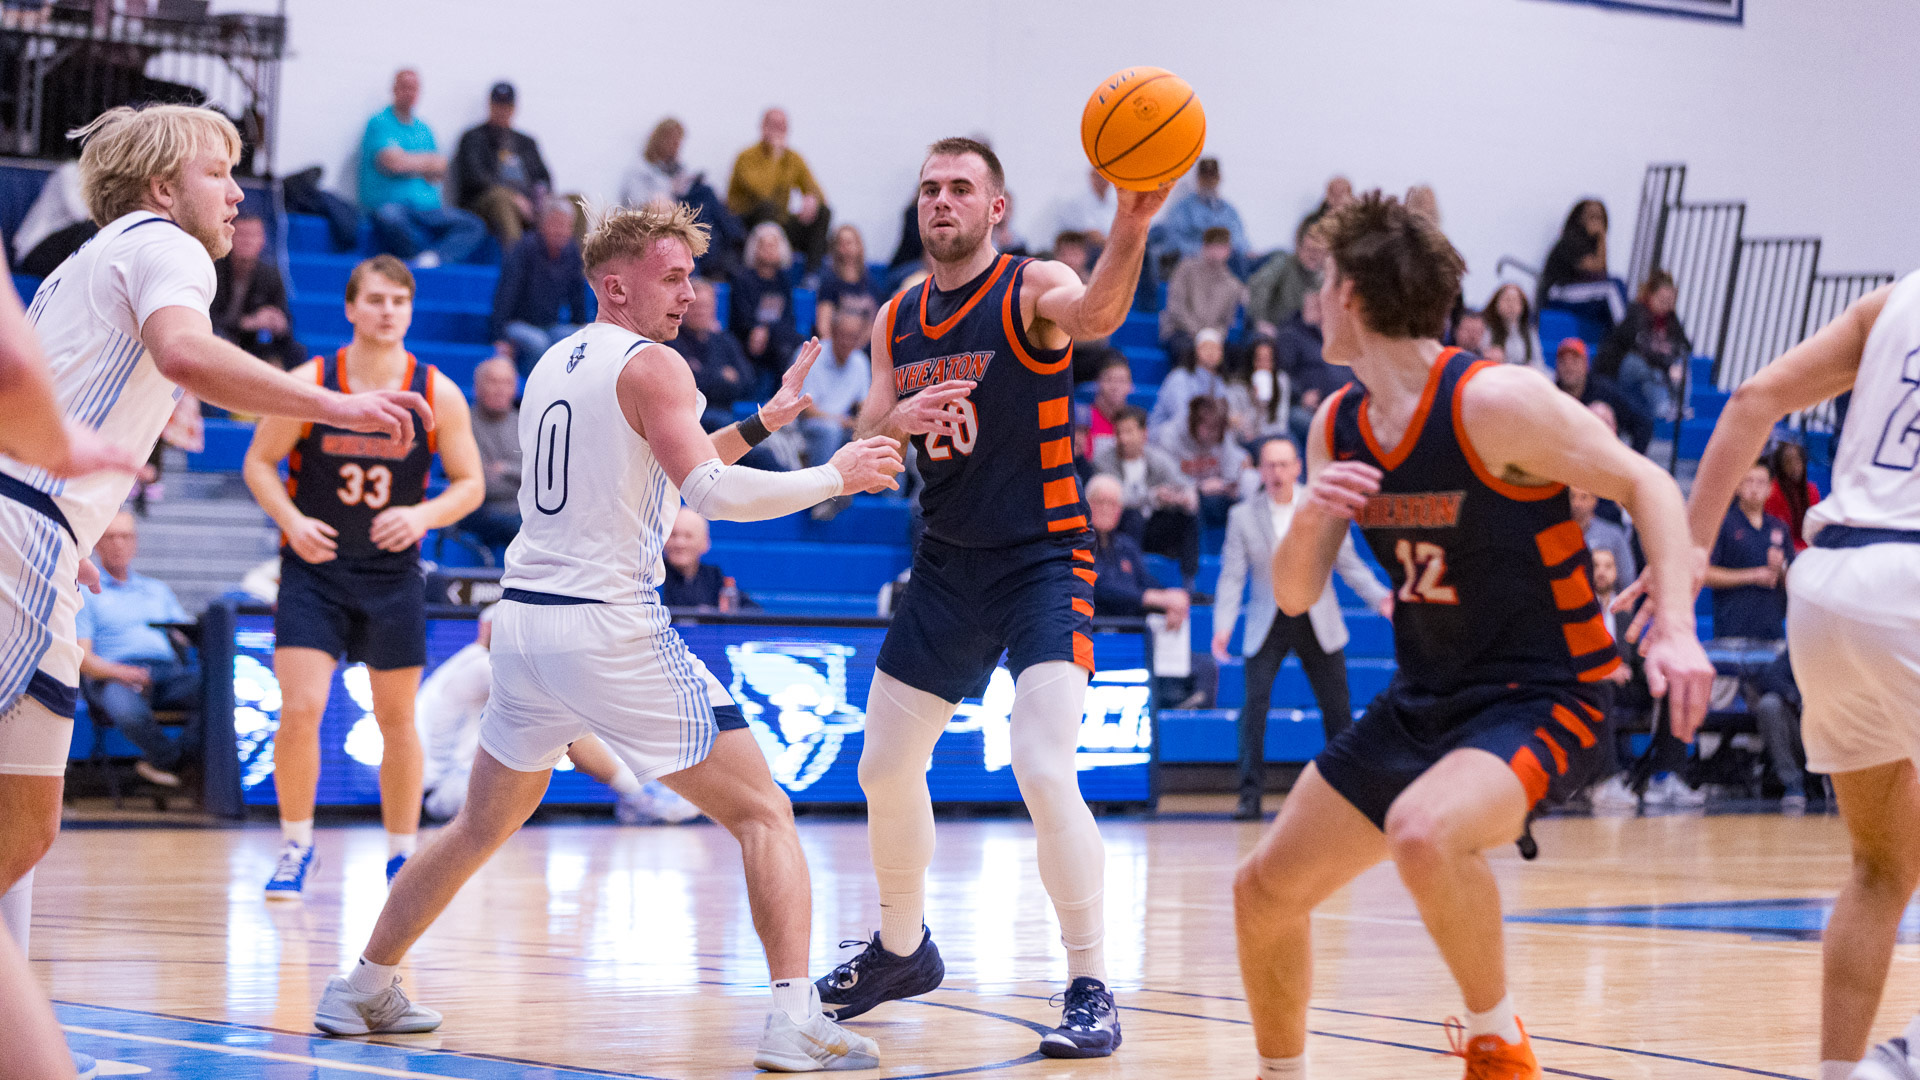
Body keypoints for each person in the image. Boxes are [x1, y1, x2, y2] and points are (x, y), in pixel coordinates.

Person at [310, 201, 902, 1072]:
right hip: (607, 627)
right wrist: (831, 473)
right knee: (765, 812)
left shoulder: (557, 360)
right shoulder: (656, 366)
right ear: (615, 284)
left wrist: (768, 422)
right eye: (672, 277)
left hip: (523, 629)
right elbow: (707, 495)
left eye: (691, 276)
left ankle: (360, 987)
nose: (690, 292)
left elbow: (667, 465)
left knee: (479, 824)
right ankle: (795, 1022)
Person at [1233, 192, 1711, 1080]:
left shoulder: (1494, 403)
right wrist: (1307, 522)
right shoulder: (1337, 423)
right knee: (1263, 891)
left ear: (1353, 295)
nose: (1314, 291)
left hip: (1548, 693)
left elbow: (1650, 484)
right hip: (1426, 700)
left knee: (1422, 832)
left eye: (1326, 276)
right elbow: (1294, 597)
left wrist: (1676, 629)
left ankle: (1498, 1045)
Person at [1, 103, 421, 1080]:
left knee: (20, 820)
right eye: (219, 171)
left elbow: (56, 390)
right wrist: (339, 403)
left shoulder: (89, 256)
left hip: (38, 527)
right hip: (22, 534)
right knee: (22, 825)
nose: (237, 192)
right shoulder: (171, 250)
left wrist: (90, 513)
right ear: (161, 187)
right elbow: (187, 355)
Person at [821, 137, 1168, 1058]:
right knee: (882, 769)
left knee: (1043, 764)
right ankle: (901, 948)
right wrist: (887, 423)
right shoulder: (899, 316)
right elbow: (869, 445)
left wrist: (1129, 225)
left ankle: (1091, 982)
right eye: (930, 187)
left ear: (995, 208)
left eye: (960, 188)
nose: (942, 201)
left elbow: (1094, 314)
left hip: (1043, 562)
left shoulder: (1028, 285)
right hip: (947, 566)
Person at [1670, 269, 1920, 1080]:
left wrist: (1686, 559)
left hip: (1828, 595)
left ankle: (1840, 1074)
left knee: (1882, 866)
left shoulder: (1899, 298)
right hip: (1913, 582)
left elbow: (1751, 401)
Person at [243, 255, 487, 896]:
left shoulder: (435, 390)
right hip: (314, 570)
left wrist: (423, 514)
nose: (387, 311)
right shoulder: (312, 381)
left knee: (397, 717)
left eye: (399, 301)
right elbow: (260, 464)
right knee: (300, 708)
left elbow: (471, 485)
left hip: (391, 574)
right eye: (375, 299)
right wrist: (292, 520)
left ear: (410, 310)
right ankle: (296, 846)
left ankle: (403, 856)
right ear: (350, 308)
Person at [1213, 436, 1392, 821]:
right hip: (1267, 618)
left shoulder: (1321, 505)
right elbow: (1231, 577)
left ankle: (1347, 796)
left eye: (1283, 464)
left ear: (1298, 467)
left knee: (1338, 709)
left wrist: (1380, 599)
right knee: (1254, 708)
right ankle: (1250, 796)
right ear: (1260, 470)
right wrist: (1223, 625)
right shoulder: (1242, 517)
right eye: (1269, 465)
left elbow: (1349, 563)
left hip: (1317, 615)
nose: (1277, 472)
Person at [414, 607, 696, 824]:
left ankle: (634, 788)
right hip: (446, 791)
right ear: (489, 629)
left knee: (549, 723)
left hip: (441, 789)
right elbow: (559, 700)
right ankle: (637, 792)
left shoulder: (466, 661)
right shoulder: (483, 666)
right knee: (558, 721)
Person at [74, 510, 199, 788]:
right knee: (127, 709)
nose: (119, 543)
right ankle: (178, 764)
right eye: (111, 537)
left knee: (222, 689)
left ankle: (168, 761)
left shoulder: (157, 590)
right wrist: (122, 672)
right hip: (111, 675)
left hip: (166, 674)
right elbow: (82, 658)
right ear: (97, 543)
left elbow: (186, 632)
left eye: (126, 536)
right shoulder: (84, 592)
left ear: (135, 543)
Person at [359, 69, 486, 268]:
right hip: (390, 205)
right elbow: (393, 163)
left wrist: (407, 160)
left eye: (414, 89)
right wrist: (424, 163)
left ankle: (431, 259)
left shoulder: (424, 129)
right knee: (391, 219)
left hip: (428, 209)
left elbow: (440, 168)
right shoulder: (380, 123)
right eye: (405, 87)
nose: (409, 93)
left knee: (473, 226)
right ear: (394, 89)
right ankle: (416, 258)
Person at [1093, 406, 1199, 582]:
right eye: (1118, 432)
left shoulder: (1157, 459)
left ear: (1144, 434)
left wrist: (1182, 498)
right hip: (1119, 528)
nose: (1122, 438)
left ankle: (1189, 584)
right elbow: (1116, 496)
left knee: (1188, 516)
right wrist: (1153, 496)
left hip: (1152, 529)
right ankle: (1131, 579)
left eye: (1128, 432)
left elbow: (1185, 484)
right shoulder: (1103, 461)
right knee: (1133, 515)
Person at [490, 199, 588, 375]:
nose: (561, 231)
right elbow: (505, 293)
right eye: (556, 224)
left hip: (551, 326)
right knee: (538, 343)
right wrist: (499, 337)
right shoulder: (524, 249)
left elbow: (577, 295)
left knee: (581, 339)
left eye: (566, 226)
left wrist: (581, 326)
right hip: (518, 323)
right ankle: (536, 387)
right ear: (544, 224)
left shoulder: (572, 253)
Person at [727, 107, 831, 271]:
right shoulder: (746, 157)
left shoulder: (793, 158)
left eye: (782, 127)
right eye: (774, 125)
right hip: (748, 221)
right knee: (767, 207)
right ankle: (765, 272)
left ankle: (813, 274)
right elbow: (763, 192)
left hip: (779, 221)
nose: (778, 131)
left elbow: (817, 191)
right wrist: (775, 158)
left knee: (823, 212)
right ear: (763, 127)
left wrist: (812, 199)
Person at [451, 82, 551, 250]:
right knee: (502, 199)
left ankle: (576, 267)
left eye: (507, 106)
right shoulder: (473, 138)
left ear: (514, 108)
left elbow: (544, 178)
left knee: (574, 202)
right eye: (498, 105)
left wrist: (540, 199)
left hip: (528, 202)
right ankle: (516, 262)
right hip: (485, 203)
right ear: (490, 105)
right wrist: (514, 197)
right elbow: (474, 177)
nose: (502, 110)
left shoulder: (526, 142)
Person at [1084, 473, 1191, 626]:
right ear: (1087, 506)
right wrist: (1151, 598)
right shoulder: (1079, 546)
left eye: (1113, 503)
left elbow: (1144, 580)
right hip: (1095, 627)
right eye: (1100, 502)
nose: (1106, 509)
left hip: (1132, 629)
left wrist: (1170, 598)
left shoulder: (1126, 545)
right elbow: (1100, 587)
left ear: (1120, 510)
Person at [1706, 462, 1792, 644]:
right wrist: (1752, 576)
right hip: (1732, 628)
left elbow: (1793, 580)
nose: (1754, 488)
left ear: (1770, 489)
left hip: (1771, 628)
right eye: (1748, 481)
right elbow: (1706, 574)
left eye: (1760, 483)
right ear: (1737, 486)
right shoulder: (1723, 525)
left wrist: (1781, 568)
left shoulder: (1779, 528)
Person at [1596, 269, 1691, 424]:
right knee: (1648, 368)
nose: (1666, 305)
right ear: (1651, 296)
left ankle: (1680, 406)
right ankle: (1662, 407)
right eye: (1662, 300)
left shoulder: (1671, 320)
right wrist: (1666, 365)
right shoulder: (1637, 312)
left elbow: (1684, 346)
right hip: (1624, 368)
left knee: (1681, 364)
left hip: (1657, 365)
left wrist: (1672, 360)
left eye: (1670, 301)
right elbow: (1640, 349)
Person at [213, 214, 303, 368]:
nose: (247, 241)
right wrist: (248, 322)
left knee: (296, 350)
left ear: (263, 240)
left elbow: (286, 320)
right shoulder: (215, 269)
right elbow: (209, 318)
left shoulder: (270, 274)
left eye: (253, 235)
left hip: (252, 343)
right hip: (219, 338)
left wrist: (278, 322)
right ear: (230, 237)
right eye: (242, 235)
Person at [1157, 395, 1250, 529]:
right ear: (1194, 422)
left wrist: (1225, 483)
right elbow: (1165, 478)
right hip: (1180, 497)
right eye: (1209, 428)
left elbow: (1231, 475)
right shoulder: (1169, 435)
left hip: (1215, 495)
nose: (1214, 434)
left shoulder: (1222, 434)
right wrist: (1199, 486)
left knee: (1242, 494)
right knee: (1191, 502)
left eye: (1218, 429)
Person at [460, 356, 522, 551]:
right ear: (477, 387)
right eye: (493, 381)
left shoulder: (527, 423)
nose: (500, 389)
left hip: (524, 511)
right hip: (481, 512)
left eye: (507, 382)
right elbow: (482, 484)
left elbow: (542, 479)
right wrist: (521, 475)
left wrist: (505, 469)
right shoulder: (462, 423)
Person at [1159, 227, 1247, 363]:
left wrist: (1211, 337)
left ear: (1228, 251)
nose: (1217, 252)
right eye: (1213, 246)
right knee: (1186, 350)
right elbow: (1176, 308)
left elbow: (1226, 321)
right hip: (1181, 331)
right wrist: (1199, 333)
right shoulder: (1186, 269)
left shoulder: (1232, 284)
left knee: (1236, 355)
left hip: (1213, 338)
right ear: (1204, 247)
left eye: (1221, 247)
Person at [730, 222, 803, 384]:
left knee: (795, 344)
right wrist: (757, 328)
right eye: (764, 246)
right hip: (747, 338)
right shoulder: (742, 279)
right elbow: (741, 317)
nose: (769, 250)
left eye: (773, 246)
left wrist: (767, 330)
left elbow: (787, 317)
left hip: (776, 337)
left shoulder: (784, 280)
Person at [798, 307, 871, 469]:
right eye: (844, 335)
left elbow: (864, 406)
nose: (848, 342)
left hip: (844, 426)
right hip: (807, 427)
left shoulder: (860, 361)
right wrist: (840, 421)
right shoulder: (811, 354)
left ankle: (889, 494)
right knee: (830, 431)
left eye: (853, 337)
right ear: (833, 332)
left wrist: (868, 424)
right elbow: (805, 409)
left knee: (884, 437)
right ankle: (822, 491)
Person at [680, 277, 756, 433]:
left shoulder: (725, 340)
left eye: (705, 306)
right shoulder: (673, 342)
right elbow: (691, 388)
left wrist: (705, 373)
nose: (700, 311)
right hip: (690, 419)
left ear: (714, 308)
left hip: (725, 413)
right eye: (695, 306)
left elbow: (747, 380)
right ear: (684, 308)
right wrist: (722, 375)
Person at [1537, 198, 1623, 328]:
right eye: (1592, 216)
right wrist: (1601, 237)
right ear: (1580, 217)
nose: (1597, 221)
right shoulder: (1571, 240)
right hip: (1558, 293)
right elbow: (1595, 270)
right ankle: (1624, 333)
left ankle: (1621, 335)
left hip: (1579, 293)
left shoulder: (1594, 245)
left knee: (1617, 288)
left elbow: (1601, 275)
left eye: (1600, 217)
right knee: (1612, 288)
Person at [1554, 337, 1651, 453]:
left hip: (1600, 460)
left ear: (1586, 364)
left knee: (1599, 412)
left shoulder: (1605, 391)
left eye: (1574, 361)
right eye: (1563, 362)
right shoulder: (1551, 395)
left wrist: (1633, 460)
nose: (1568, 367)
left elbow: (1643, 423)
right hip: (1561, 459)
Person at [1155, 157, 1250, 270]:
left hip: (1229, 267)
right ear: (1198, 179)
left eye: (1213, 176)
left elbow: (1241, 241)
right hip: (1195, 267)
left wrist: (1226, 252)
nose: (1209, 181)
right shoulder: (1183, 209)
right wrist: (1205, 252)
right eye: (1205, 176)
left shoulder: (1229, 211)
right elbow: (1172, 241)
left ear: (1219, 178)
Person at [660, 507, 749, 610]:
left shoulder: (714, 578)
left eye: (688, 536)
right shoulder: (653, 577)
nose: (680, 543)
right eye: (673, 535)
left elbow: (751, 611)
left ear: (705, 543)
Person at [1248, 221, 1327, 336]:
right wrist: (1261, 321)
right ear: (1298, 248)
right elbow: (1259, 285)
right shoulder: (1284, 262)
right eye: (1309, 249)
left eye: (1318, 251)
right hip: (1275, 330)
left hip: (1305, 335)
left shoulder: (1325, 276)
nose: (1313, 256)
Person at [1150, 327, 1230, 436]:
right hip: (1169, 437)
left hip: (1203, 439)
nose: (1211, 352)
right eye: (1206, 347)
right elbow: (1181, 416)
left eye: (1216, 348)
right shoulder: (1179, 377)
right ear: (1196, 350)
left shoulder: (1219, 382)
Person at [1230, 335, 1292, 445]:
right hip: (1249, 439)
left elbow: (1281, 421)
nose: (1263, 365)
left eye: (1268, 360)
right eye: (1259, 360)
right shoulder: (1238, 386)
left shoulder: (1281, 380)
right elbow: (1238, 426)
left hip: (1275, 436)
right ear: (1251, 361)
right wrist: (1255, 403)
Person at [815, 224, 877, 330]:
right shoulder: (829, 280)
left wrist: (860, 346)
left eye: (849, 243)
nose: (845, 248)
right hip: (836, 342)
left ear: (859, 245)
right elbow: (823, 324)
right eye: (841, 243)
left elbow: (873, 322)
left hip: (862, 343)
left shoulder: (869, 281)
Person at [1570, 486, 1637, 585]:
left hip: (1606, 597)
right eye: (1572, 497)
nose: (1577, 503)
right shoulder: (1556, 532)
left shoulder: (1613, 534)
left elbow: (1627, 578)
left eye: (1584, 497)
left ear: (1594, 500)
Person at [1764, 439, 1822, 552]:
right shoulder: (1773, 492)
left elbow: (1816, 531)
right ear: (1780, 465)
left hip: (1808, 550)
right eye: (1788, 462)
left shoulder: (1812, 490)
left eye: (1798, 461)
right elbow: (1775, 534)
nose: (1795, 466)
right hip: (1782, 550)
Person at [1484, 282, 1546, 373]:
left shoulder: (1529, 333)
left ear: (1523, 306)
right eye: (1507, 300)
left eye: (1516, 301)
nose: (1511, 305)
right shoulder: (1487, 330)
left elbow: (1539, 362)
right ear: (1496, 303)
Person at [1082, 353, 1133, 461]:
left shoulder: (1135, 423)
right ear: (1097, 383)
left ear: (1130, 387)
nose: (1115, 387)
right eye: (1109, 380)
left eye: (1121, 381)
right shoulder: (1085, 419)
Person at [1049, 167, 1113, 247]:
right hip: (1086, 247)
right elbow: (1093, 234)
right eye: (1099, 177)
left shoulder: (1112, 201)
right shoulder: (1080, 202)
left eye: (1106, 177)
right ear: (1092, 178)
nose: (1103, 181)